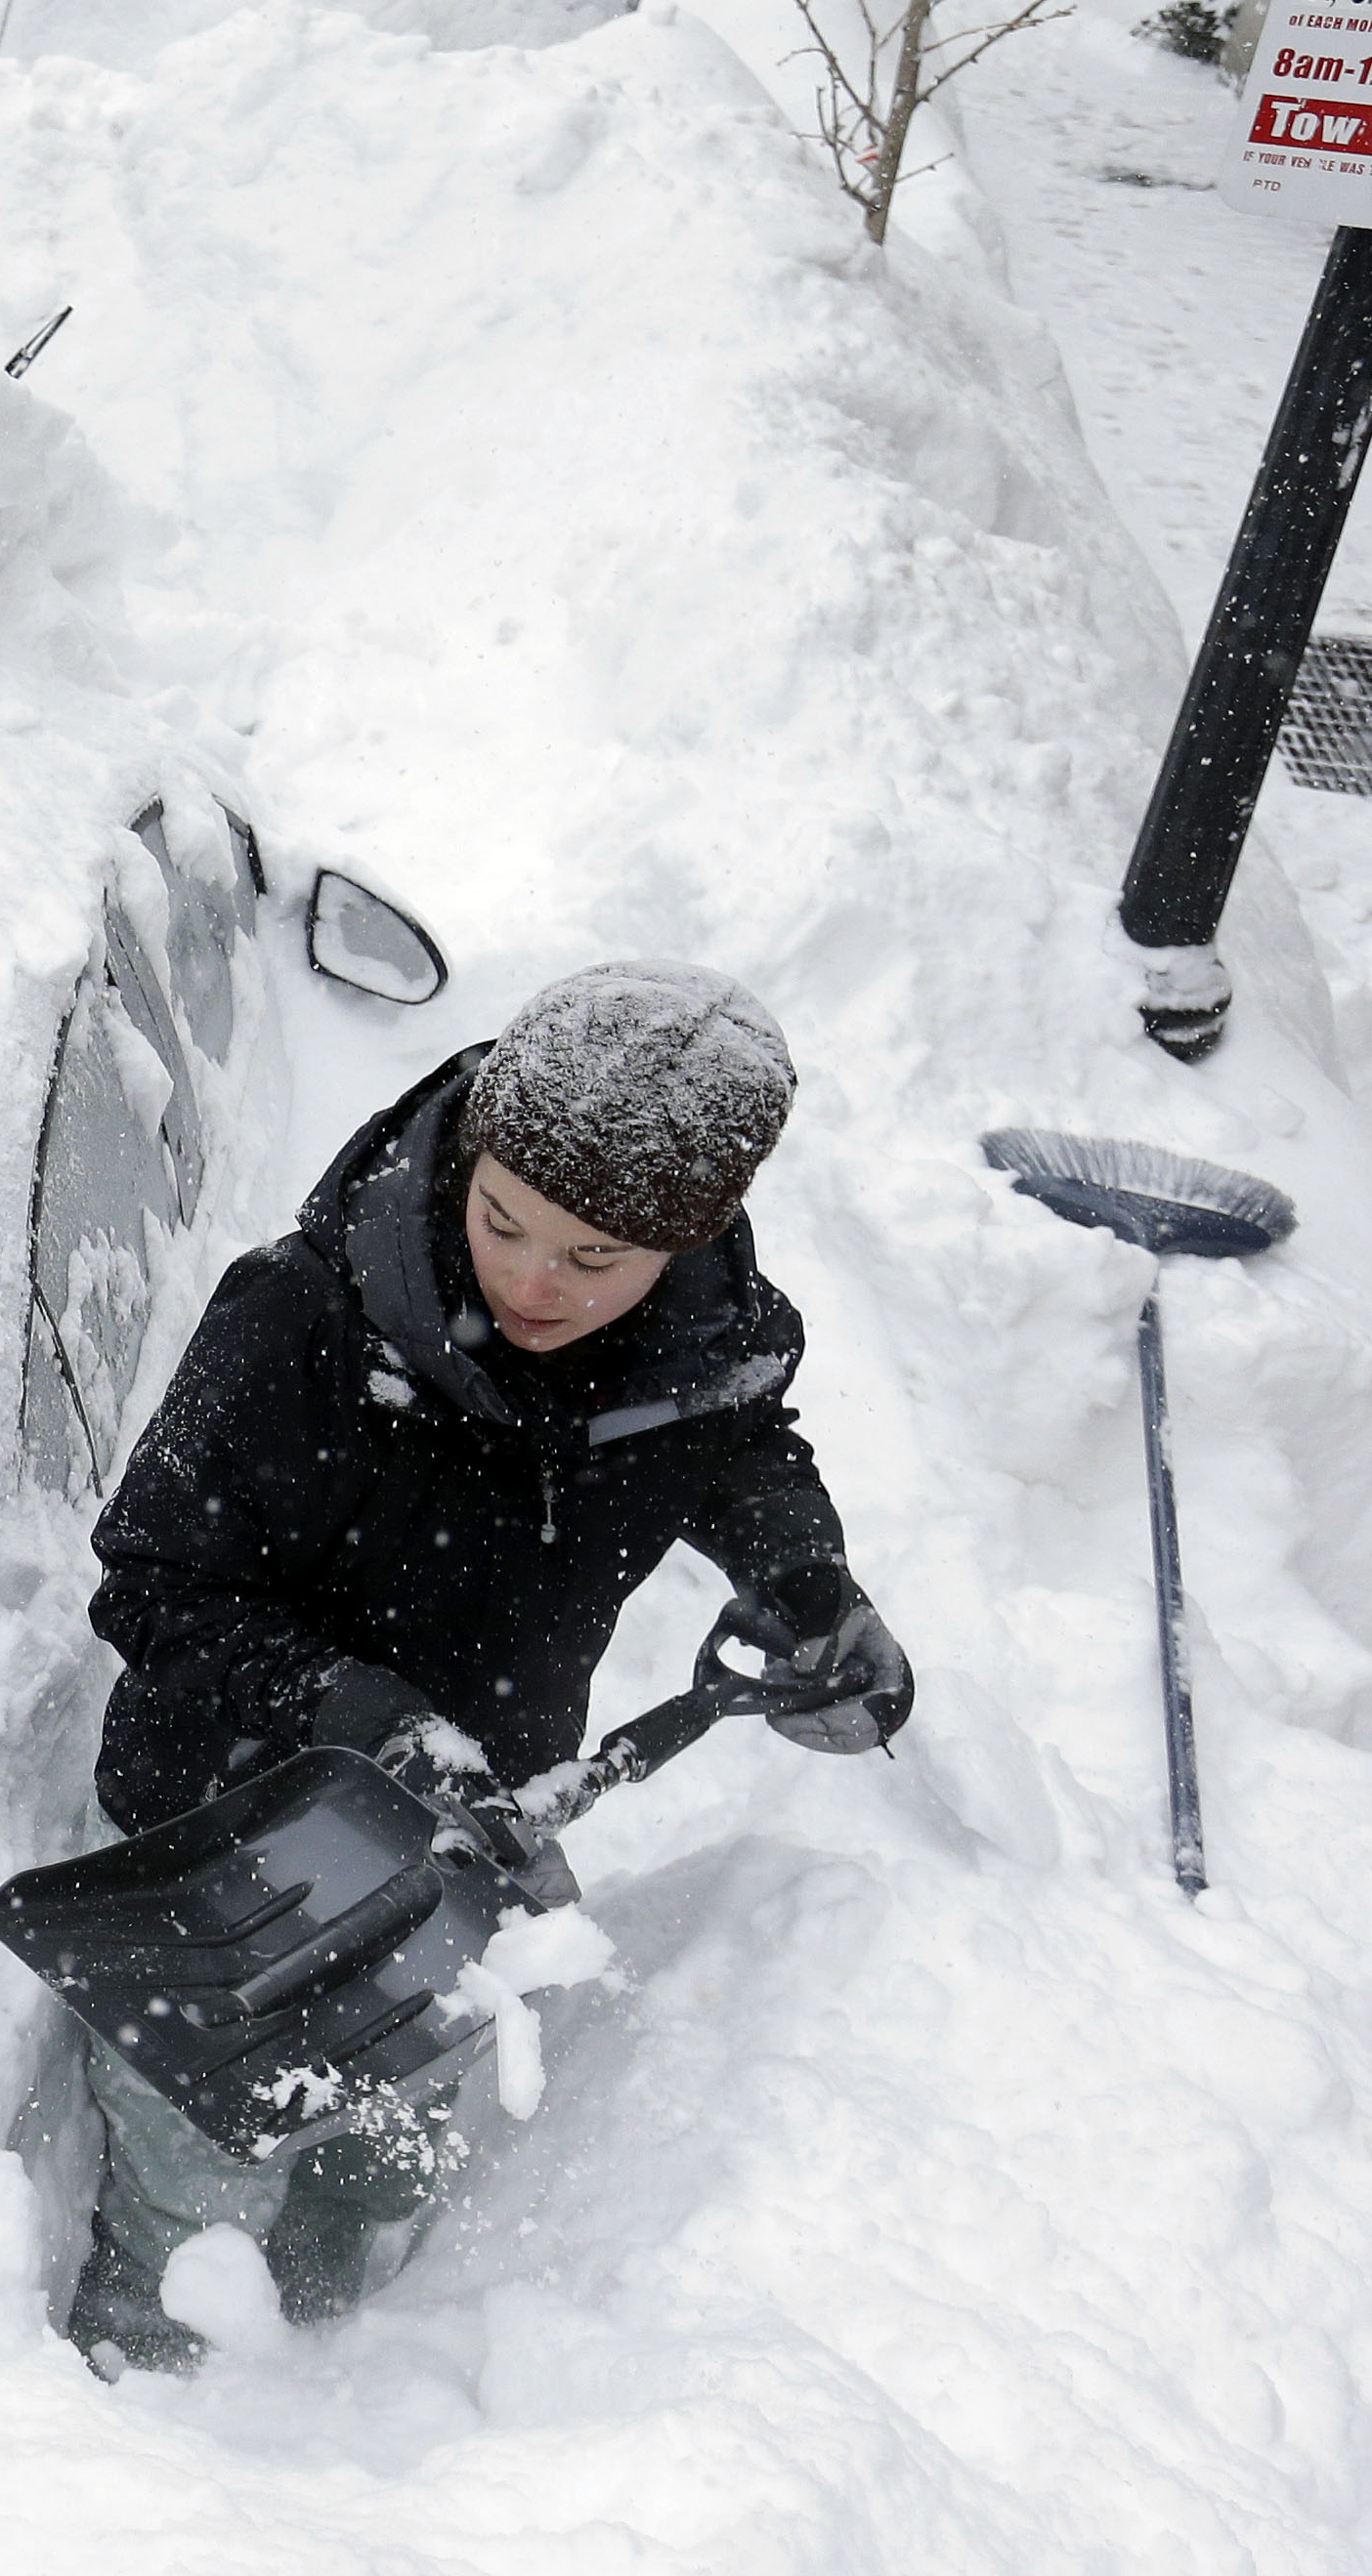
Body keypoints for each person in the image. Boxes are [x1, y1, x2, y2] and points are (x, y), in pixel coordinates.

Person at [64, 961, 915, 2373]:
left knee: (390, 2153)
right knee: (196, 2161)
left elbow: (739, 1445)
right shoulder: (300, 1321)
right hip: (214, 1840)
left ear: (685, 1244)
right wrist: (353, 1713)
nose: (531, 1281)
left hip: (468, 1845)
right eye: (504, 1221)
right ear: (466, 1158)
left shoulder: (698, 1351)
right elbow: (150, 1578)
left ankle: (342, 2364)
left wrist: (805, 1580)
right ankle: (149, 2378)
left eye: (592, 1262)